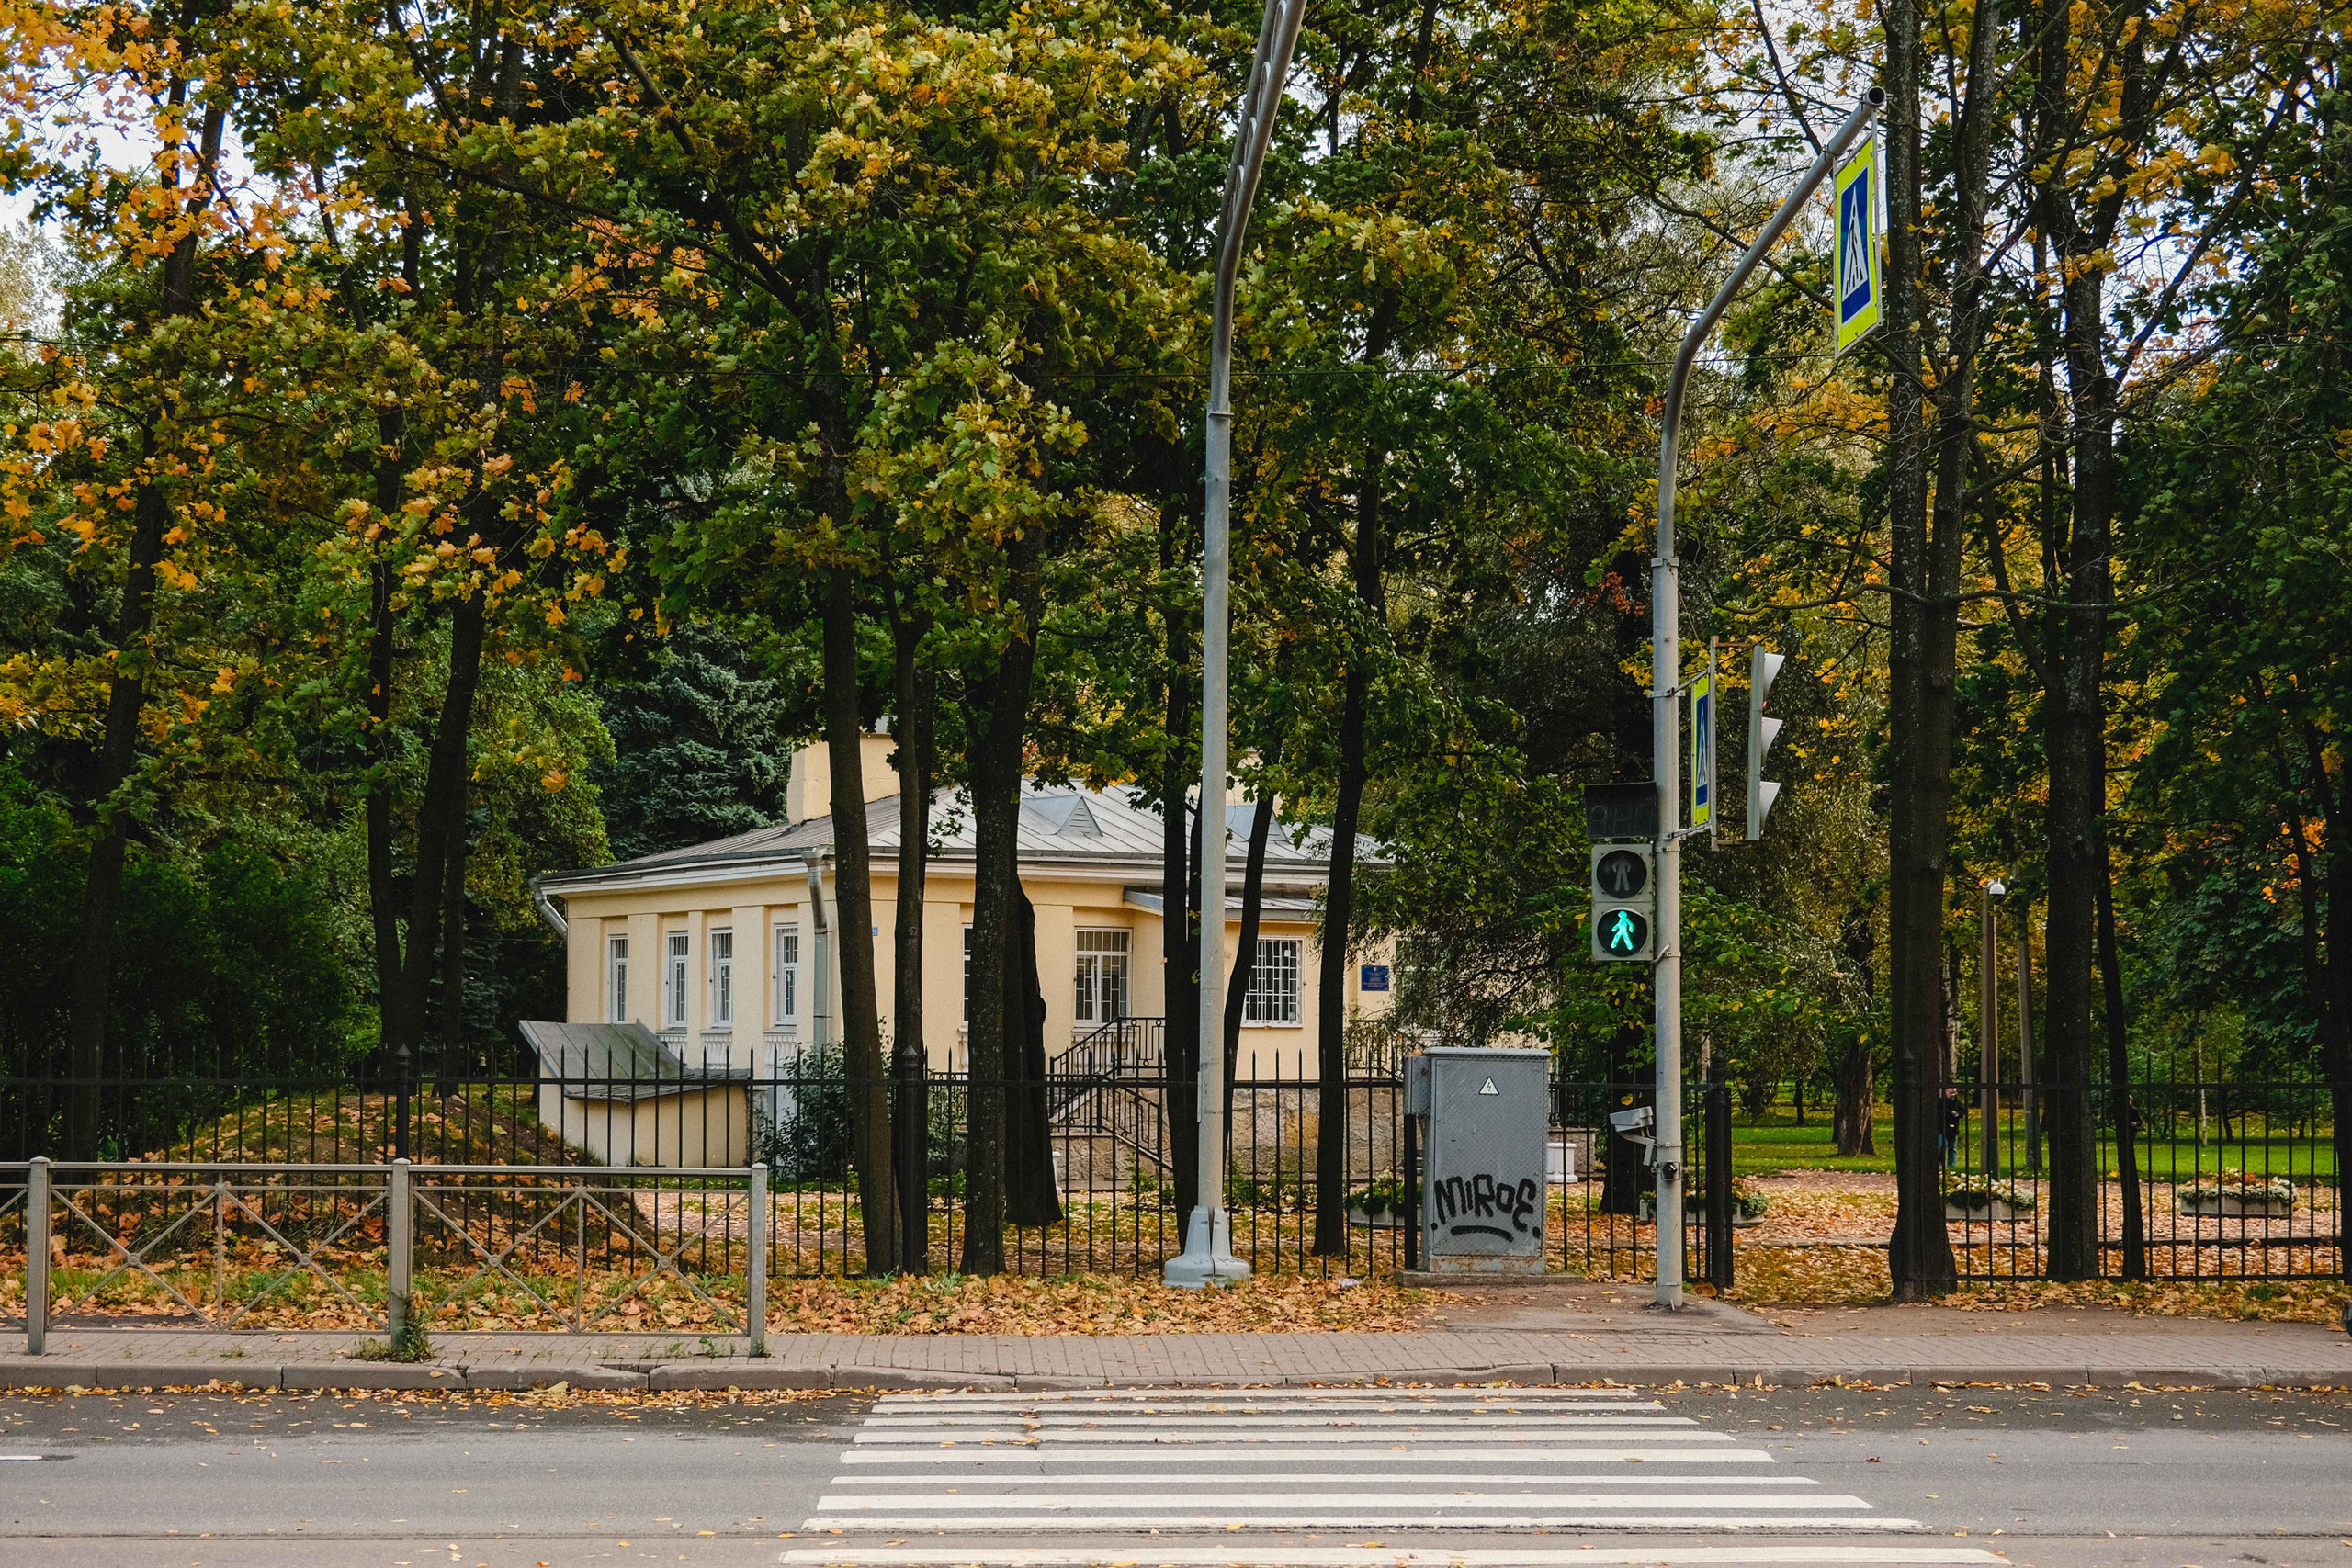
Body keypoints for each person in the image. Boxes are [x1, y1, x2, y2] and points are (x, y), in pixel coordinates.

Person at [1938, 1087, 1963, 1168]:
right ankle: (1940, 1162)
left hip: (1953, 1128)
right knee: (1942, 1146)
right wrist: (1950, 1112)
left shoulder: (1957, 1102)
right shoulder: (1941, 1102)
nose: (1953, 1095)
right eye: (1951, 1093)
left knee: (1952, 1147)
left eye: (1954, 1093)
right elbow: (1939, 1112)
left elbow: (1963, 1112)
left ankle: (1951, 1165)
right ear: (1946, 1093)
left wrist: (1958, 1114)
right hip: (1942, 1127)